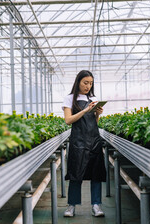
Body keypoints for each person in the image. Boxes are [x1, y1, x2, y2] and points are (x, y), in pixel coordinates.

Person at [61, 70, 106, 217]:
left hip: (94, 139)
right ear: (78, 82)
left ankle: (96, 205)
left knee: (96, 173)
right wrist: (86, 110)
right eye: (85, 83)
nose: (88, 86)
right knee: (76, 173)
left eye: (91, 83)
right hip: (78, 141)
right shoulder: (69, 99)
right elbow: (68, 120)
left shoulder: (93, 98)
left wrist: (97, 113)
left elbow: (94, 123)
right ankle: (71, 206)